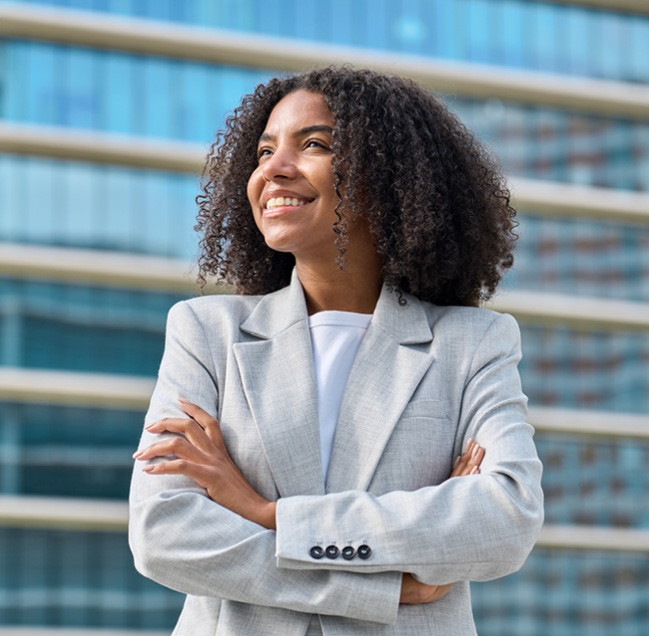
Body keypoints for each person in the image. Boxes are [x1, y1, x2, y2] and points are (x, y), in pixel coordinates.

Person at [129, 66, 544, 636]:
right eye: (264, 150)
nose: (273, 169)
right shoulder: (206, 332)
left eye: (314, 145)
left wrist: (267, 514)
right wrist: (383, 587)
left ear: (391, 176)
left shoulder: (473, 344)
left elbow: (504, 520)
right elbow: (163, 534)